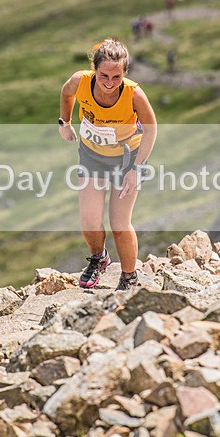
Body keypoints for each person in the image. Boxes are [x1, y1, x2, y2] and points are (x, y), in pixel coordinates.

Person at [58, 39, 157, 291]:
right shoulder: (80, 81)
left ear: (125, 72)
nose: (110, 82)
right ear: (94, 69)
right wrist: (65, 122)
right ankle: (99, 258)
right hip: (92, 156)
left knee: (119, 223)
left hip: (127, 159)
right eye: (104, 75)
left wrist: (136, 169)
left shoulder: (134, 93)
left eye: (116, 76)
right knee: (89, 221)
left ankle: (128, 277)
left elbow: (151, 128)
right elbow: (66, 92)